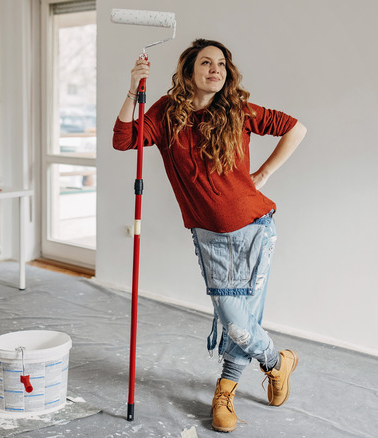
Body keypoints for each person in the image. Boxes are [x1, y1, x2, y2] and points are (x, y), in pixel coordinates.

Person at [112, 39, 307, 433]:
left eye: (221, 63)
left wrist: (264, 174)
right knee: (237, 321)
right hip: (210, 237)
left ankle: (225, 392)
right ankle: (277, 362)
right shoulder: (167, 113)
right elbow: (124, 140)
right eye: (205, 62)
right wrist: (134, 89)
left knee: (242, 321)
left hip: (255, 228)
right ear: (188, 71)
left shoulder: (236, 110)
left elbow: (295, 128)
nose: (215, 69)